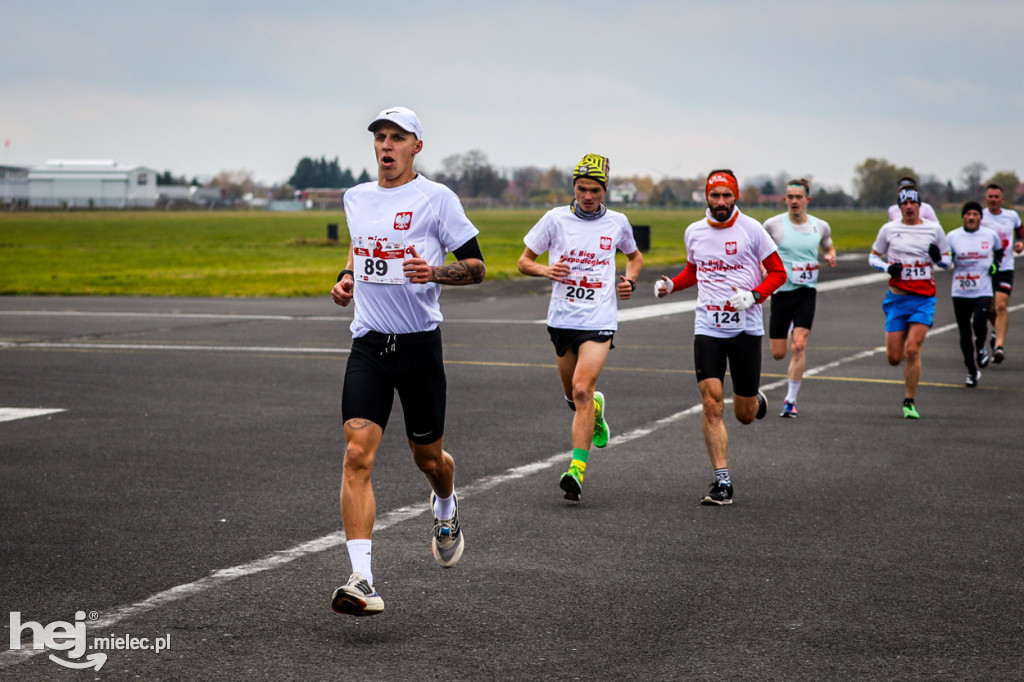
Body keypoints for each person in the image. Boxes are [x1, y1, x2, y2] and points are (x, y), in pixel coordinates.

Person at [328, 106, 486, 617]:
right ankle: (361, 578)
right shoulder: (356, 197)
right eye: (380, 137)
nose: (386, 145)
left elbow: (478, 267)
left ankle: (445, 505)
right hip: (369, 344)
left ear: (417, 146)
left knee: (429, 459)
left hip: (419, 347)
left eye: (398, 137)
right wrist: (347, 278)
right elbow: (359, 249)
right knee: (357, 452)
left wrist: (435, 273)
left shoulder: (436, 199)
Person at [654, 169, 786, 505]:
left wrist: (754, 296)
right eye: (716, 196)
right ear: (706, 198)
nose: (721, 202)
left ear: (736, 197)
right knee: (712, 402)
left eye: (727, 196)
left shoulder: (752, 230)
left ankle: (754, 400)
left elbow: (778, 273)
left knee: (742, 414)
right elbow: (694, 272)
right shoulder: (694, 232)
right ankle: (722, 483)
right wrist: (672, 285)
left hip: (745, 327)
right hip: (708, 326)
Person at [517, 153, 643, 502]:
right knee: (574, 398)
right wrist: (546, 270)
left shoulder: (617, 222)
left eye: (594, 190)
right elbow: (523, 261)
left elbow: (634, 257)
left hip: (599, 319)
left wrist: (629, 282)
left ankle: (576, 471)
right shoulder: (554, 220)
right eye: (581, 189)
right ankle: (597, 412)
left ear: (605, 190)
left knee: (583, 389)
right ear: (573, 187)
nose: (587, 196)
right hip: (562, 319)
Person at [869, 186, 950, 418]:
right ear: (900, 206)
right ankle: (903, 354)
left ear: (919, 205)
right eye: (904, 203)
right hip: (897, 298)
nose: (909, 206)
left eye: (913, 202)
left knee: (913, 350)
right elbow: (873, 256)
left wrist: (938, 260)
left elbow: (948, 261)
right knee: (895, 358)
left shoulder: (933, 229)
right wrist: (887, 268)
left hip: (924, 299)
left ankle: (909, 401)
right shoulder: (889, 229)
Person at [762, 179, 837, 417]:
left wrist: (831, 256)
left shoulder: (820, 226)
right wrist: (764, 269)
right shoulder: (772, 225)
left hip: (806, 292)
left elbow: (828, 246)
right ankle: (788, 328)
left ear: (807, 200)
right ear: (785, 200)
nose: (794, 201)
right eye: (790, 197)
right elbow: (759, 251)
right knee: (778, 353)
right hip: (781, 292)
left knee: (799, 346)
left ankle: (790, 401)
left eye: (798, 197)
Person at [947, 201, 1003, 387]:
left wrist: (995, 264)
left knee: (979, 323)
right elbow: (946, 261)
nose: (971, 218)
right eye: (968, 214)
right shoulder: (953, 236)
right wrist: (939, 257)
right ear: (963, 216)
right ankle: (971, 371)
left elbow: (999, 252)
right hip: (960, 290)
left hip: (983, 289)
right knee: (964, 334)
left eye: (975, 214)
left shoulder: (990, 235)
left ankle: (981, 347)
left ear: (980, 217)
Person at [981, 183, 1024, 364]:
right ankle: (995, 331)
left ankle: (998, 347)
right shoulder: (980, 215)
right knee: (989, 309)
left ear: (1002, 199)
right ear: (986, 198)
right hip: (985, 268)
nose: (993, 200)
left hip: (1005, 268)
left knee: (1001, 306)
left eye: (996, 197)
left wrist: (1021, 243)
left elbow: (1020, 233)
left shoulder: (1012, 216)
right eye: (990, 197)